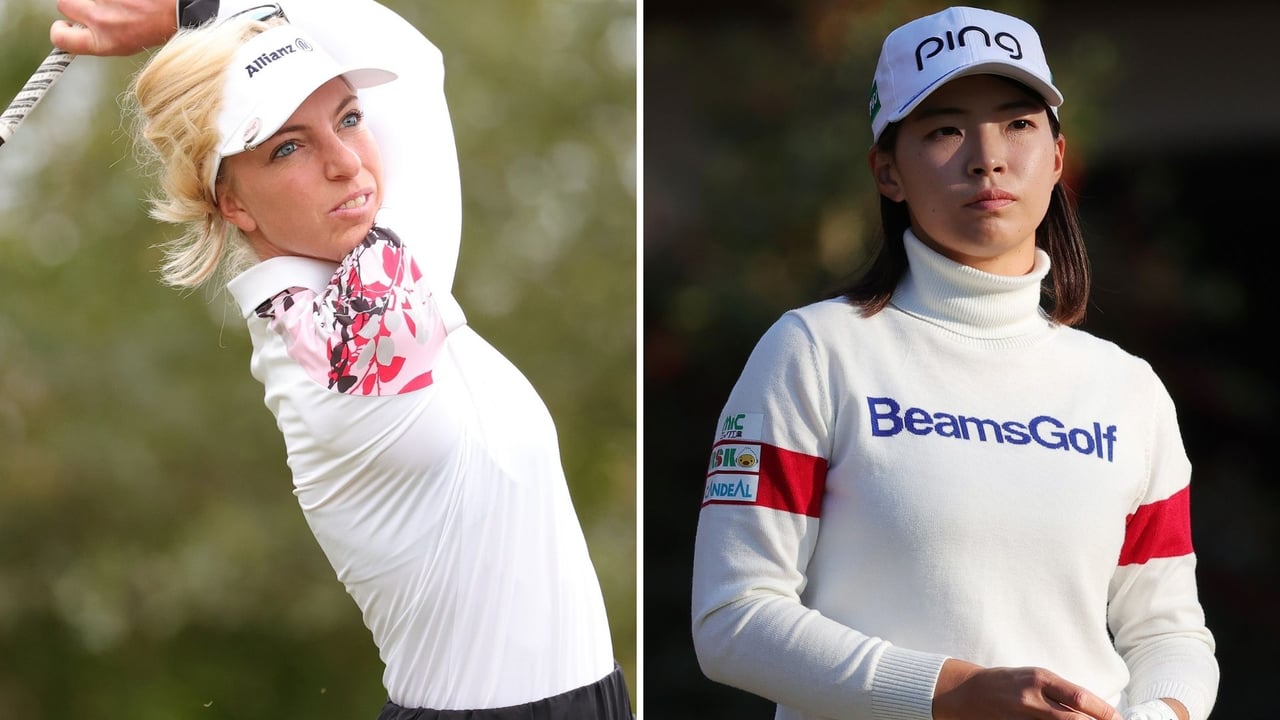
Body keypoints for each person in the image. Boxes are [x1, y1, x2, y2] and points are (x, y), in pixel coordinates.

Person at [49, 1, 634, 718]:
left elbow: (407, 66)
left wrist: (197, 10)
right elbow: (415, 64)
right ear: (231, 201)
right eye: (288, 147)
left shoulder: (353, 279)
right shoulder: (350, 345)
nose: (346, 162)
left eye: (349, 118)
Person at [690, 6, 1218, 720]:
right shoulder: (813, 351)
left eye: (1018, 123)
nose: (987, 157)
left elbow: (1168, 633)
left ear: (1058, 158)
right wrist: (950, 693)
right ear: (888, 171)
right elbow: (733, 619)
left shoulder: (1128, 390)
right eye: (943, 129)